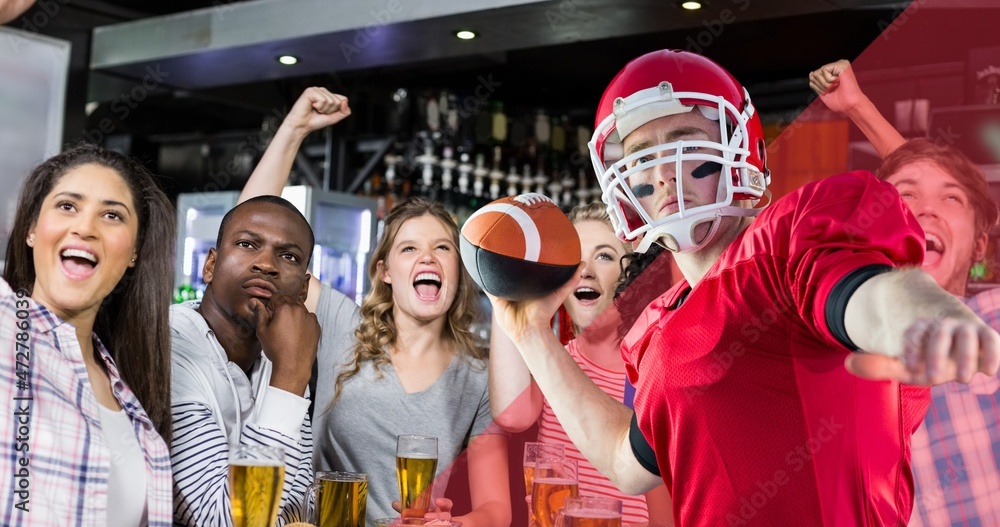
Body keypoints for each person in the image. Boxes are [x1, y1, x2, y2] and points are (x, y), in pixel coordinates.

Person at [487, 49, 1000, 526]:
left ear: (741, 153)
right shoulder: (658, 327)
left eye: (686, 146)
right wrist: (530, 331)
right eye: (643, 157)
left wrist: (923, 322)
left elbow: (866, 293)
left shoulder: (792, 233)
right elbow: (627, 463)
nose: (665, 174)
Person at [238, 87, 512, 527]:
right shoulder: (341, 323)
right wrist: (293, 130)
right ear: (385, 270)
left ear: (458, 269)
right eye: (409, 249)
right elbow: (250, 236)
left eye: (442, 248)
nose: (428, 258)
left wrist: (458, 524)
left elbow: (496, 510)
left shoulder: (480, 376)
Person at [812, 58, 1000, 526]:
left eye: (950, 199)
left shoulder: (994, 318)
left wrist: (859, 108)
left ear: (980, 242)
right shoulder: (823, 352)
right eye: (905, 198)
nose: (927, 211)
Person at [0, 143, 175, 526]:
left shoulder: (129, 391)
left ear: (134, 252)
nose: (84, 227)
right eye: (67, 206)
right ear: (31, 229)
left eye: (112, 215)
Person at [489, 202, 672, 526]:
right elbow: (512, 416)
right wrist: (505, 279)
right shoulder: (550, 363)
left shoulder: (650, 373)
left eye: (604, 256)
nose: (584, 270)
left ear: (633, 272)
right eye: (573, 260)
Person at [169, 195, 321, 526]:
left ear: (304, 290)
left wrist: (289, 373)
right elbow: (225, 520)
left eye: (288, 256)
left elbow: (299, 505)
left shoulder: (283, 354)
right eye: (248, 244)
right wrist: (291, 377)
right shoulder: (169, 346)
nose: (267, 264)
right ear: (210, 265)